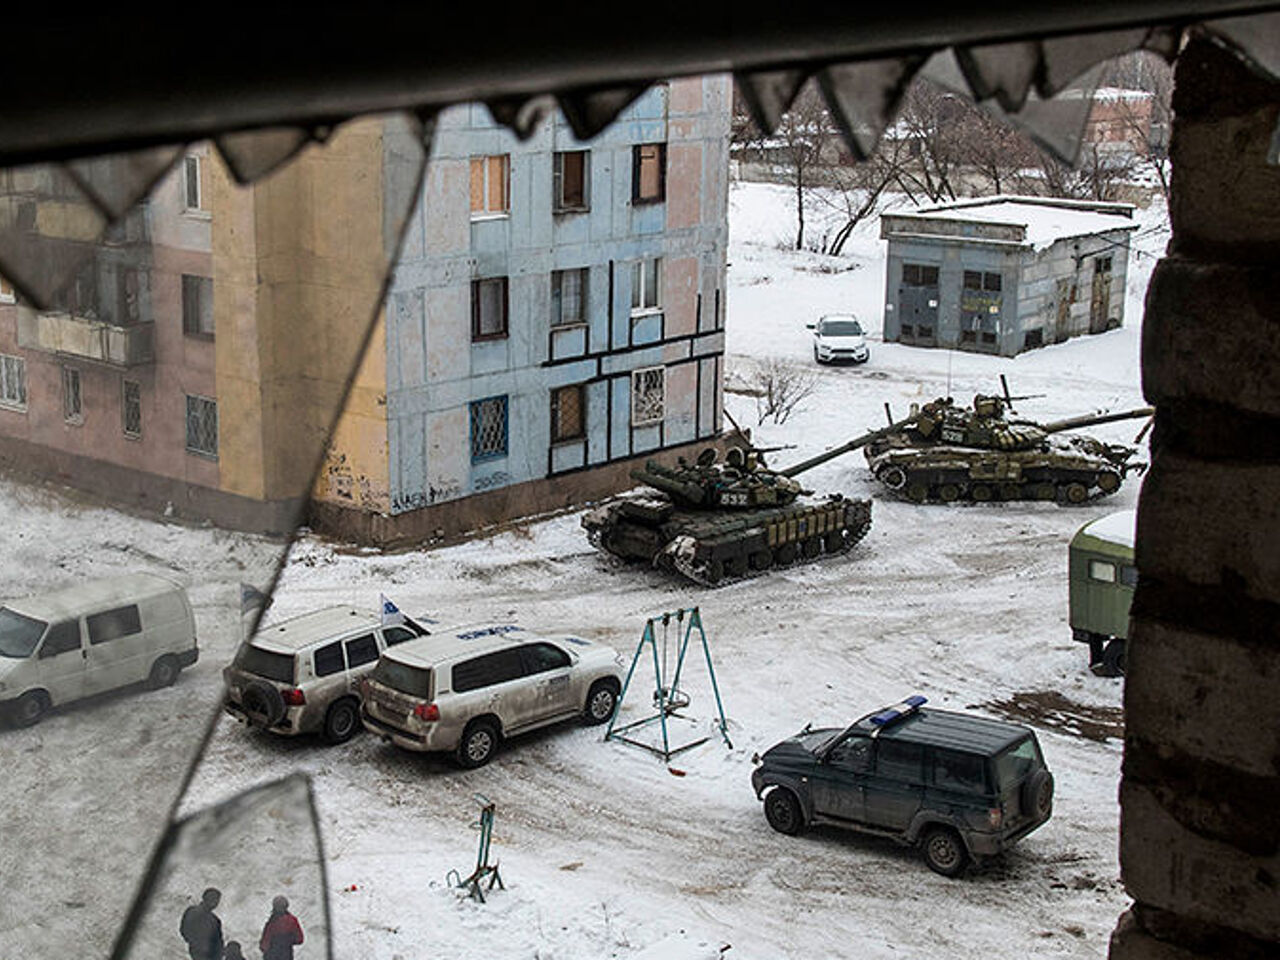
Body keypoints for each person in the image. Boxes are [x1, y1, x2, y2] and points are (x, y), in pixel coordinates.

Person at [179, 888, 224, 960]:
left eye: (217, 900)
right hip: (199, 954)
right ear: (205, 897)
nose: (215, 902)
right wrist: (196, 944)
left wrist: (220, 954)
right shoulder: (193, 911)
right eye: (212, 898)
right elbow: (185, 930)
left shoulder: (215, 920)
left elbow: (219, 940)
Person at [258, 895, 304, 960]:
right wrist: (288, 941)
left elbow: (265, 942)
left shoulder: (273, 922)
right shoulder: (292, 920)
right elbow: (299, 939)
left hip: (272, 955)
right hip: (287, 955)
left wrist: (264, 948)